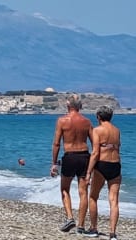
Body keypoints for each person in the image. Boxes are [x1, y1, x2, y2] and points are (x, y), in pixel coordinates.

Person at [51, 94, 94, 233]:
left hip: (69, 156)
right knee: (83, 192)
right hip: (84, 156)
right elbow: (95, 144)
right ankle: (81, 225)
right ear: (80, 106)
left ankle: (70, 217)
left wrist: (54, 163)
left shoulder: (62, 121)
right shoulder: (87, 122)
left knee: (64, 189)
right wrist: (94, 163)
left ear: (68, 105)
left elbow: (56, 144)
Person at [79, 106, 122, 239]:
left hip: (102, 164)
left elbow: (95, 152)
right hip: (115, 165)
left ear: (98, 117)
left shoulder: (97, 130)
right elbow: (117, 149)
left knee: (93, 196)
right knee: (114, 200)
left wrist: (88, 172)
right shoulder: (117, 130)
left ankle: (94, 228)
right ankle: (113, 233)